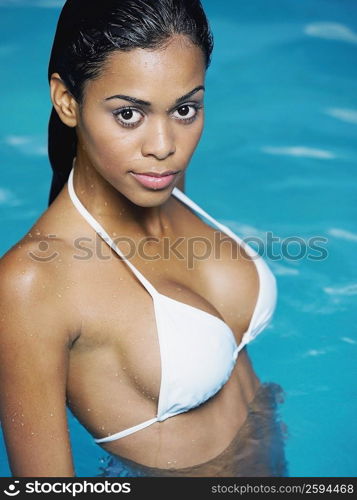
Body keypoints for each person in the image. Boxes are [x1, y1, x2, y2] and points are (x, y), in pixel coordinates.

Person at [0, 0, 288, 477]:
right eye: (129, 114)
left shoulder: (158, 182)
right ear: (67, 101)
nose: (164, 146)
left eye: (185, 109)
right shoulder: (31, 284)